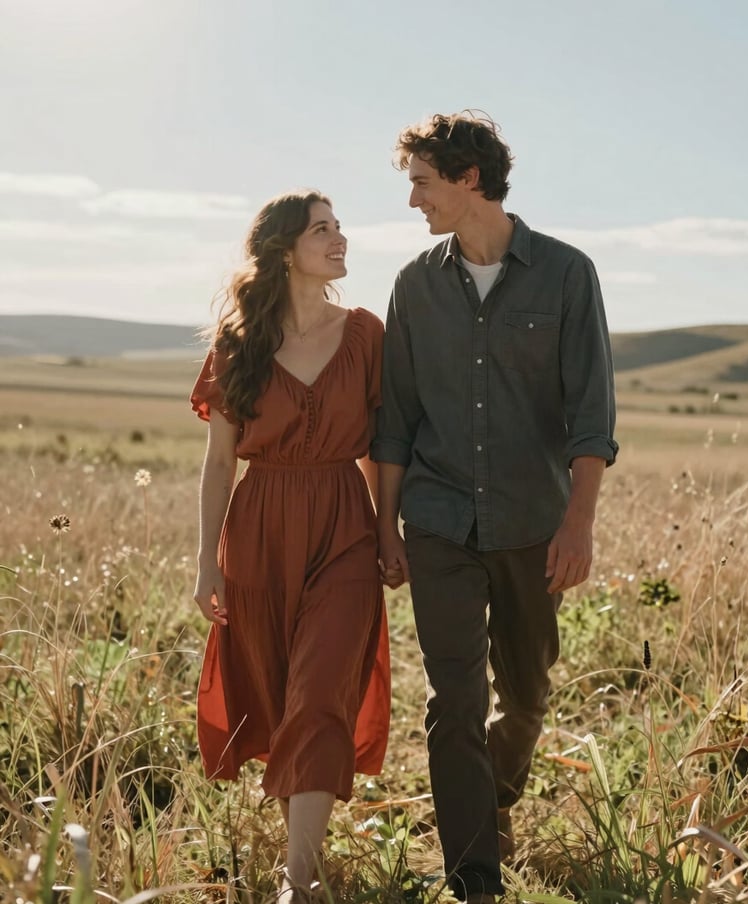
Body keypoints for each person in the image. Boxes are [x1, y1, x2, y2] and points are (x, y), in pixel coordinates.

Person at [372, 112, 618, 903]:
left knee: (526, 697)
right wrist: (386, 526)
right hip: (439, 520)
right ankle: (475, 879)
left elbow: (591, 414)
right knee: (456, 700)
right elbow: (396, 420)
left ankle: (498, 802)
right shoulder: (414, 285)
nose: (413, 200)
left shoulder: (567, 275)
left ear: (468, 177)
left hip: (531, 524)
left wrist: (577, 522)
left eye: (422, 181)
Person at [190, 189, 390, 902]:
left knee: (319, 692)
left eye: (339, 228)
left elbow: (384, 448)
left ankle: (298, 882)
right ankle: (304, 858)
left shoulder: (367, 333)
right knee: (280, 696)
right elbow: (220, 463)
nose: (340, 239)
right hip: (259, 531)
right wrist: (205, 559)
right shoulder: (239, 344)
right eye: (322, 230)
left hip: (343, 524)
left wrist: (388, 530)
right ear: (283, 250)